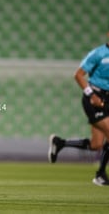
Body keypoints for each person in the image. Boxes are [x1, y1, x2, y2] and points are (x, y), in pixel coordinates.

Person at [48, 33, 109, 186]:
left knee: (96, 145)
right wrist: (91, 95)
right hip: (94, 98)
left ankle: (60, 143)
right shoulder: (98, 53)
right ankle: (100, 175)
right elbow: (78, 75)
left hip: (107, 99)